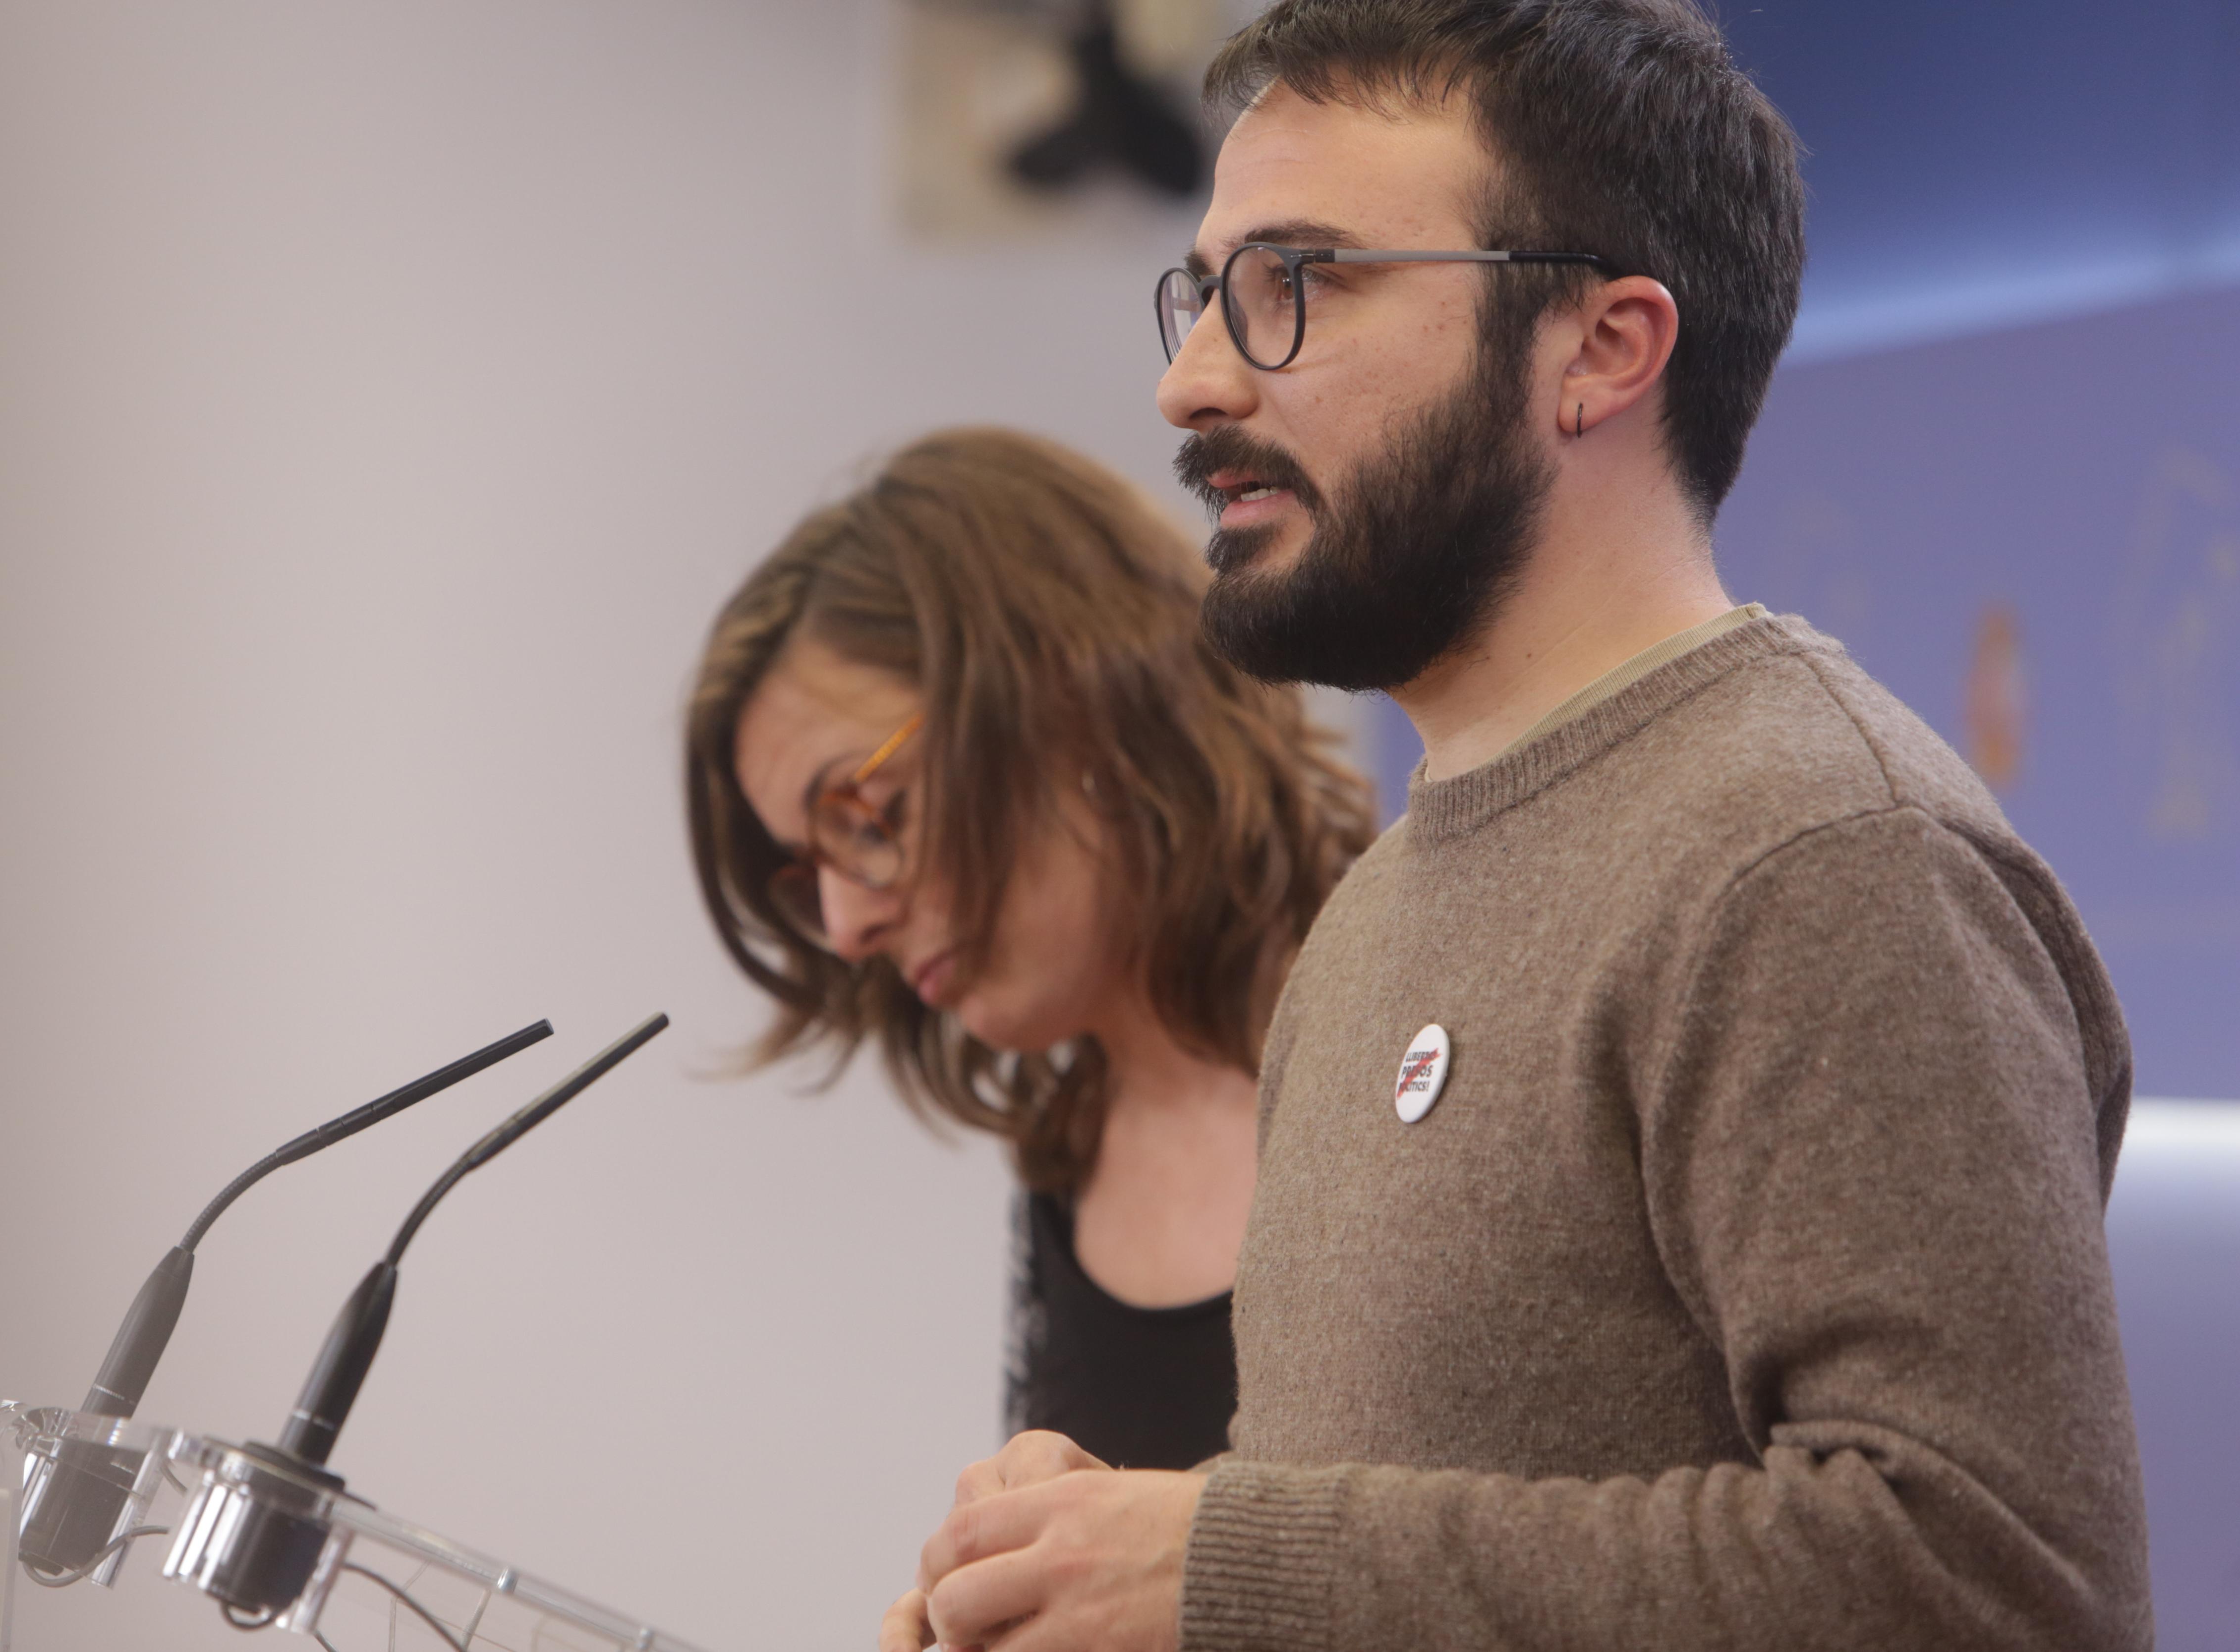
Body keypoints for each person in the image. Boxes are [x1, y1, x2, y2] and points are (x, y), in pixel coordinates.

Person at [884, 3, 2152, 1650]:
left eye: (1301, 285)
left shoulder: (1823, 854)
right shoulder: (1384, 905)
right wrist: (1094, 1577)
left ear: (1604, 349)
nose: (1191, 381)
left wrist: (1229, 1567)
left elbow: (2001, 1585)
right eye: (1205, 293)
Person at [685, 426, 1372, 1472]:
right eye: (806, 868)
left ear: (1072, 687)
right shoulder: (1066, 1162)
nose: (845, 926)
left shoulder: (1439, 1025)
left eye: (867, 815)